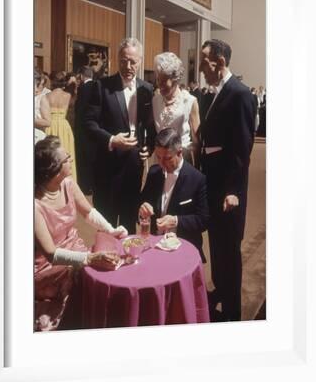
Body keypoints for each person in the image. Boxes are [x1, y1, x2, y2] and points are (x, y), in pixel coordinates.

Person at [34, 136, 128, 331]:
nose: (71, 159)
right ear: (54, 168)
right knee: (87, 277)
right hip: (48, 266)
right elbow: (51, 254)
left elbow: (88, 212)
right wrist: (90, 258)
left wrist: (111, 229)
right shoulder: (33, 205)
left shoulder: (67, 183)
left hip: (75, 248)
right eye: (67, 158)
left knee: (106, 269)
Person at [199, 38, 256, 321]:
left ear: (219, 62)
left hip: (228, 189)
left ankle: (232, 313)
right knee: (218, 245)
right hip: (212, 181)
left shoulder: (241, 94)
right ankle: (219, 292)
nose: (200, 67)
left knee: (229, 250)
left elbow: (242, 148)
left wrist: (233, 190)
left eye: (204, 61)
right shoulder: (213, 92)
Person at [84, 37, 154, 233]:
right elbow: (88, 124)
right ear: (117, 60)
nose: (128, 66)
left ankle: (129, 261)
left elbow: (149, 126)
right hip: (107, 165)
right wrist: (112, 140)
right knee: (106, 223)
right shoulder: (101, 86)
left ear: (140, 61)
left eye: (133, 61)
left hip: (133, 166)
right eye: (123, 60)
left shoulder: (146, 89)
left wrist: (148, 148)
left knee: (128, 221)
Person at [139, 128, 209, 261]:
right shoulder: (154, 172)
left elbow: (203, 220)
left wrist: (176, 221)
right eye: (158, 157)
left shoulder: (197, 179)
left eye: (167, 158)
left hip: (183, 247)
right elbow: (141, 202)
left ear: (180, 152)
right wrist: (142, 208)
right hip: (154, 245)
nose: (161, 163)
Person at [153, 52, 200, 166]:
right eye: (158, 79)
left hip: (181, 159)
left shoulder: (189, 101)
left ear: (175, 79)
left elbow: (197, 140)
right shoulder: (155, 100)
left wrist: (196, 169)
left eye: (164, 81)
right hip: (160, 159)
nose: (160, 84)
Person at [40, 71, 78, 182]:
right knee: (67, 155)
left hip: (51, 126)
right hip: (64, 126)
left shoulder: (46, 96)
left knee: (51, 156)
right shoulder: (68, 95)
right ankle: (69, 182)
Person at [74, 66, 95, 195]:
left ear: (81, 76)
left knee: (83, 158)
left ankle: (85, 186)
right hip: (95, 128)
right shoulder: (98, 85)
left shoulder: (82, 88)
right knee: (93, 157)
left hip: (83, 129)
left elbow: (79, 110)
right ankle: (93, 184)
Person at [34, 69, 50, 143]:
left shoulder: (41, 98)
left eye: (39, 85)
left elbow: (48, 122)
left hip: (37, 136)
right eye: (36, 85)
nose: (37, 89)